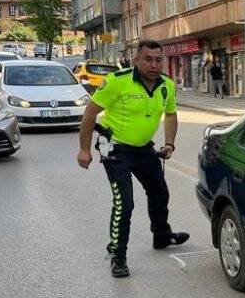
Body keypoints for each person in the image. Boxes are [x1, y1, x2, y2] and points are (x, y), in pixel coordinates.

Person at [76, 40, 189, 278]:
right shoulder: (118, 81)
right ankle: (118, 255)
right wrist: (84, 150)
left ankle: (161, 235)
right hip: (114, 148)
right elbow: (90, 112)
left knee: (160, 192)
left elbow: (170, 114)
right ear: (137, 60)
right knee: (124, 203)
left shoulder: (166, 85)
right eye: (148, 59)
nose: (154, 64)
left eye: (158, 60)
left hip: (143, 149)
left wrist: (169, 143)